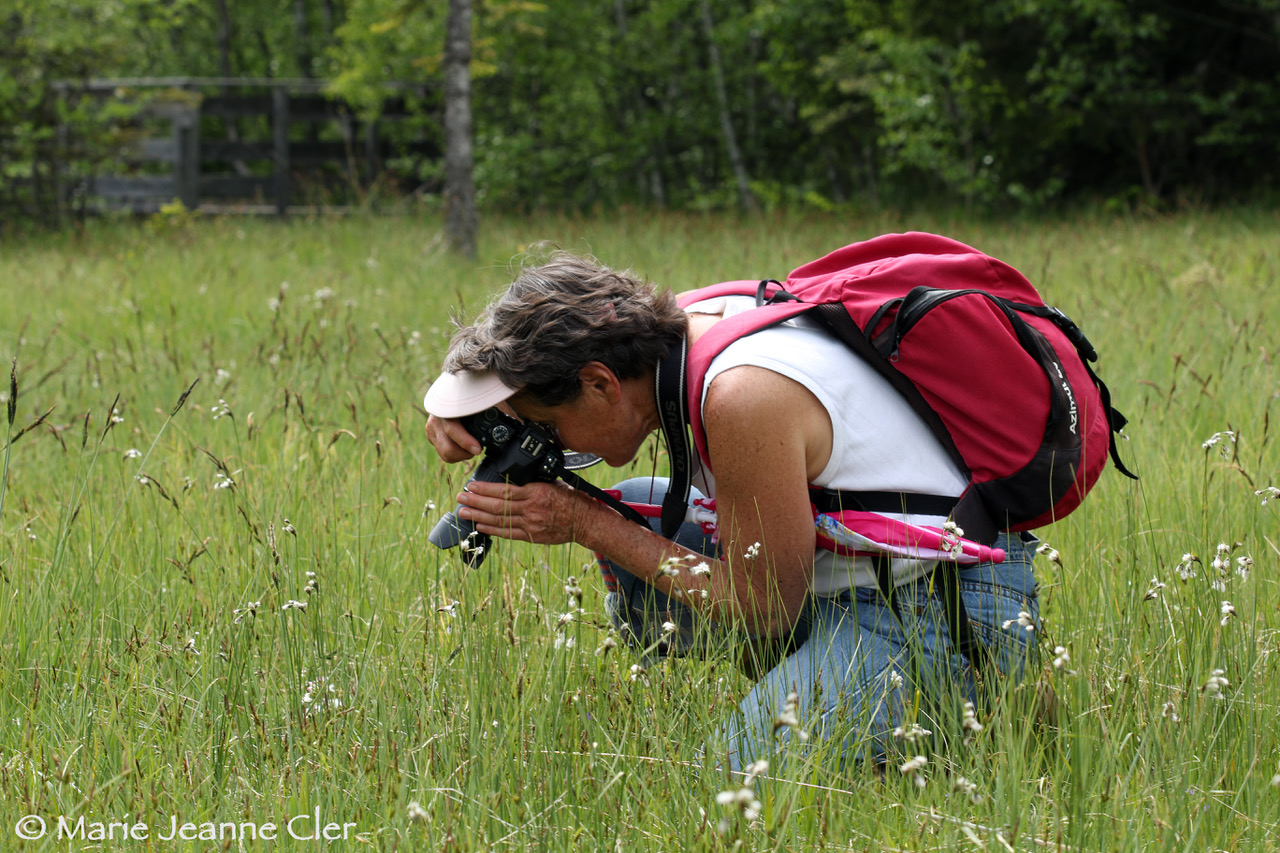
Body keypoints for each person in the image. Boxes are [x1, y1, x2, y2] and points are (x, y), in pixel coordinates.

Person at [423, 249, 1040, 769]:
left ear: (600, 384)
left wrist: (584, 521)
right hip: (858, 578)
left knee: (737, 778)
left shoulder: (743, 396)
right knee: (642, 504)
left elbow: (767, 606)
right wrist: (465, 406)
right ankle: (826, 688)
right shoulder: (684, 328)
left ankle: (978, 706)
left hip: (947, 607)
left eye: (546, 424)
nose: (551, 443)